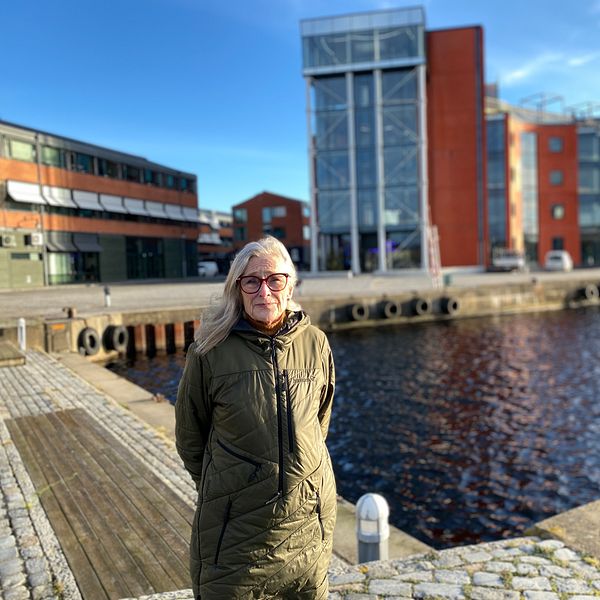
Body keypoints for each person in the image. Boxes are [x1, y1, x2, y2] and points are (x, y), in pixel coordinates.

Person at [175, 236, 336, 599]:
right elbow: (190, 438)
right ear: (238, 288)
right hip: (237, 531)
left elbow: (319, 422)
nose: (264, 291)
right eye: (252, 281)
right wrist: (231, 486)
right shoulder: (209, 352)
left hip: (308, 521)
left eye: (274, 279)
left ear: (290, 283)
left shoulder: (316, 343)